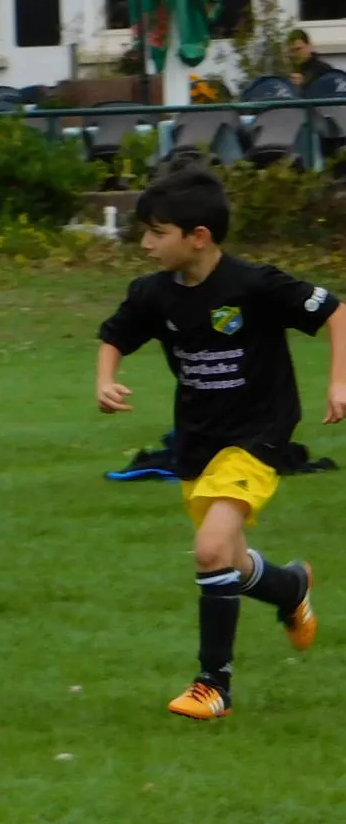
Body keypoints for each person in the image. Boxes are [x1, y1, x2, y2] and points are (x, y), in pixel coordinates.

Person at [96, 164, 340, 719]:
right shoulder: (154, 294)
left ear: (198, 237)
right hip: (198, 442)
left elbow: (335, 312)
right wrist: (105, 380)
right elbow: (114, 336)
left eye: (157, 233)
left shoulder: (255, 285)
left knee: (208, 551)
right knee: (229, 560)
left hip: (259, 436)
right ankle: (290, 587)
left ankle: (213, 685)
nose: (145, 243)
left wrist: (339, 382)